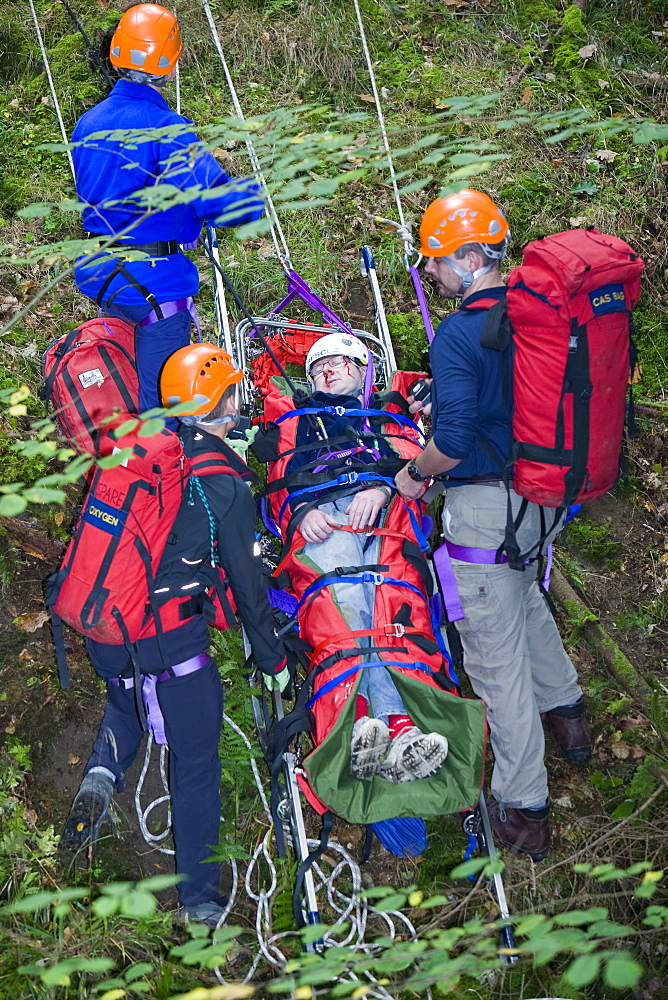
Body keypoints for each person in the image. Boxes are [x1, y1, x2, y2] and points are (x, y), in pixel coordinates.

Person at [60, 344, 288, 926]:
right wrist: (272, 658)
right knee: (195, 763)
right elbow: (248, 588)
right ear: (223, 404)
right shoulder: (227, 486)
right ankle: (200, 901)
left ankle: (102, 775)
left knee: (127, 695)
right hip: (172, 646)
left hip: (106, 631)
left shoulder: (136, 450)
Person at [394, 188, 591, 861]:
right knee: (527, 596)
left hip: (481, 505)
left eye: (438, 261)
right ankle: (568, 715)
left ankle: (524, 804)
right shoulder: (538, 311)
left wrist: (416, 473)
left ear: (471, 256)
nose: (432, 274)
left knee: (494, 658)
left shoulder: (457, 330)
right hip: (543, 495)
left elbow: (452, 437)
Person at [71, 4, 263, 413]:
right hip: (153, 283)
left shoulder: (88, 122)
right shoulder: (167, 128)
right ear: (170, 64)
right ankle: (158, 467)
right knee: (165, 405)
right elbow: (223, 206)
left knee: (136, 380)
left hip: (99, 272)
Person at [284, 332, 449, 783]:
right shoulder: (297, 420)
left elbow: (417, 459)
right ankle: (384, 723)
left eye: (338, 362)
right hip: (327, 518)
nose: (327, 371)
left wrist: (382, 487)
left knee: (389, 609)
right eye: (318, 368)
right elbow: (279, 480)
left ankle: (378, 725)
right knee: (350, 609)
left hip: (384, 515)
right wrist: (301, 512)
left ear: (363, 371)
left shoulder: (386, 413)